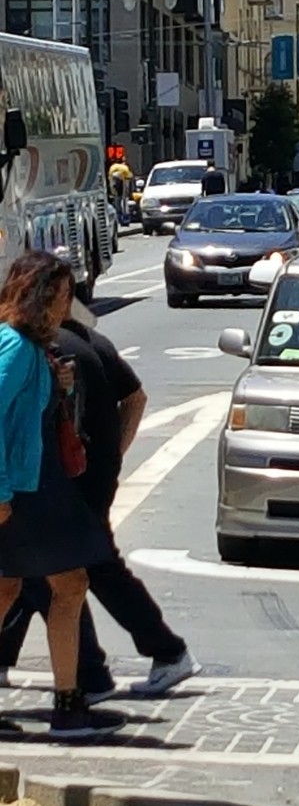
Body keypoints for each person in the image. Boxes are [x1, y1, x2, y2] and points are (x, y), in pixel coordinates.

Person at [0, 314, 200, 696]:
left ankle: (98, 671)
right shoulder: (90, 339)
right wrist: (113, 457)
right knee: (36, 577)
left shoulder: (37, 347)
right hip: (85, 475)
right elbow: (137, 398)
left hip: (58, 481)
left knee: (61, 577)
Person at [0, 250, 125, 737]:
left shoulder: (28, 348)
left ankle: (69, 702)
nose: (68, 306)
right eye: (64, 295)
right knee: (68, 585)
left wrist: (56, 385)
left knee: (15, 587)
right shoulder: (13, 346)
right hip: (22, 489)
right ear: (42, 296)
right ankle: (68, 704)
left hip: (29, 484)